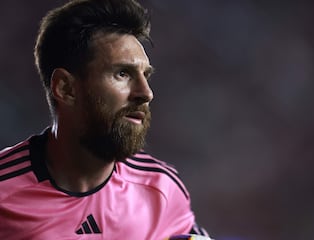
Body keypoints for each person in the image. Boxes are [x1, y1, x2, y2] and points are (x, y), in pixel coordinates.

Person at [0, 0, 210, 239]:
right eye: (122, 73)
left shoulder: (161, 188)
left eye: (145, 75)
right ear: (66, 88)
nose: (146, 92)